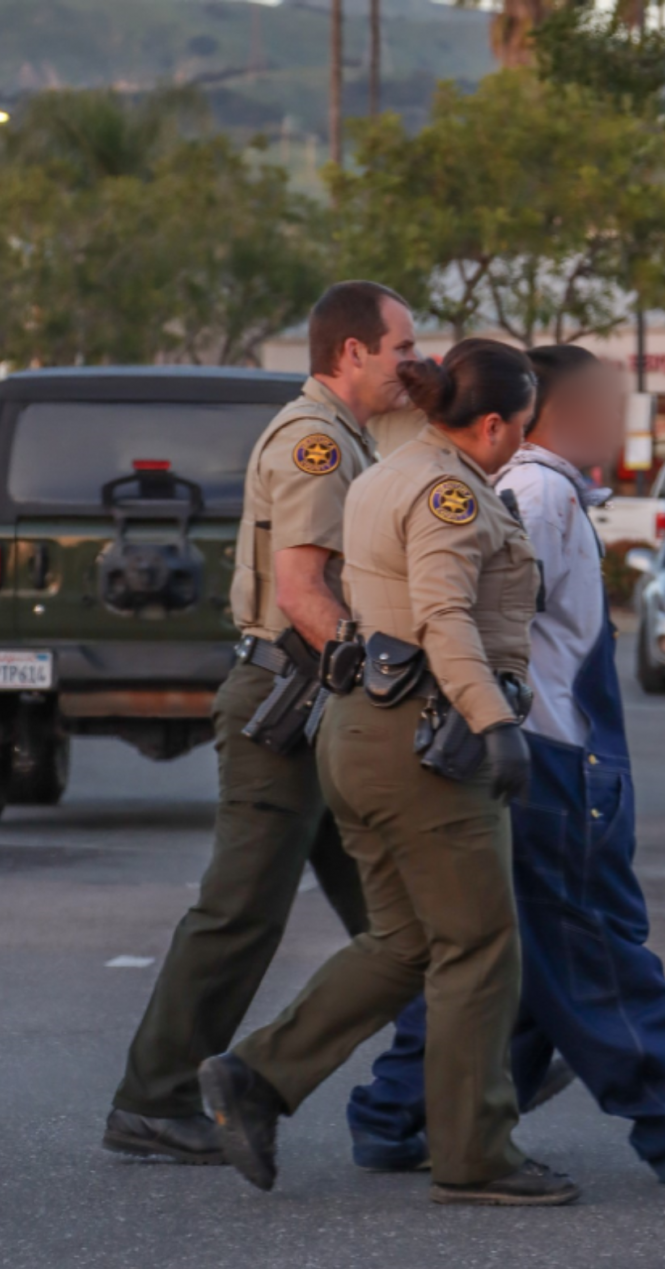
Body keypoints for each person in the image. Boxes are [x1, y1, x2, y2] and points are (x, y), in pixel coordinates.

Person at [345, 345, 665, 1185]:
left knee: (523, 956)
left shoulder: (532, 487)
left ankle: (397, 1111)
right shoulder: (538, 490)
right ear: (545, 411)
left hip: (551, 745)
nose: (615, 421)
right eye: (600, 404)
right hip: (551, 749)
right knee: (588, 945)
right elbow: (477, 617)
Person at [199, 338, 579, 1207]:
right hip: (430, 738)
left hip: (364, 731)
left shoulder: (385, 470)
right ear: (492, 423)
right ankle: (475, 1153)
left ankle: (255, 1075)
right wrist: (497, 724)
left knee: (404, 941)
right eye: (521, 428)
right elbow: (444, 615)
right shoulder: (449, 492)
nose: (522, 444)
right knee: (479, 946)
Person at [103, 281, 417, 1164]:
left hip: (319, 702)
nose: (414, 363)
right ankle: (156, 1098)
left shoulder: (356, 435)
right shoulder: (316, 441)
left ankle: (472, 1064)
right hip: (294, 701)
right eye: (403, 348)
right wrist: (381, 675)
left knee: (396, 912)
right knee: (243, 910)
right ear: (352, 353)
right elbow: (301, 590)